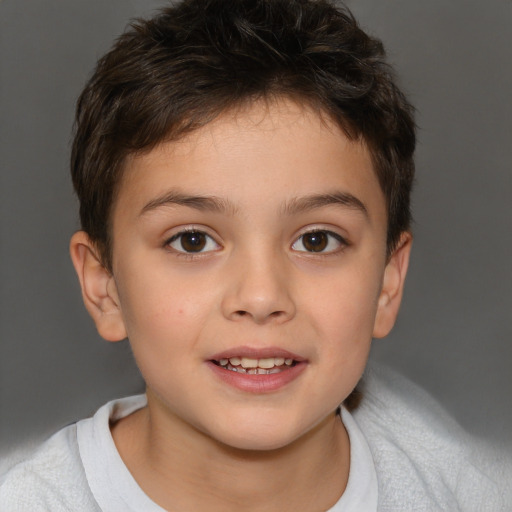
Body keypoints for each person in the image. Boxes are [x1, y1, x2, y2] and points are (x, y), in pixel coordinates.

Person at [0, 0, 510, 510]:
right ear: (104, 287)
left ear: (388, 283)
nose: (261, 297)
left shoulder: (469, 493)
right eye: (192, 240)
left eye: (316, 240)